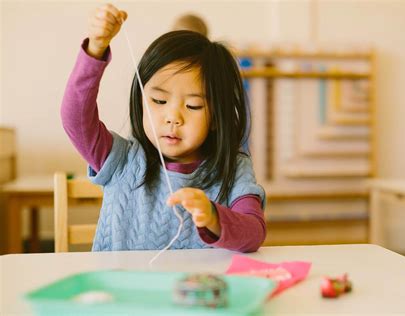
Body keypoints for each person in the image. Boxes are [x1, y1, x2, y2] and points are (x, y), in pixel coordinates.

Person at [61, 4, 265, 252]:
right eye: (159, 101)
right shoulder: (120, 158)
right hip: (122, 289)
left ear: (216, 117)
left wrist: (214, 217)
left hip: (194, 290)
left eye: (193, 105)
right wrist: (95, 49)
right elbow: (75, 118)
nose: (173, 117)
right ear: (141, 99)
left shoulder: (234, 168)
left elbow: (254, 233)